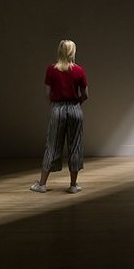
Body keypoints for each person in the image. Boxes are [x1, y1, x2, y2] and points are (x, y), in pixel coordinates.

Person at [31, 39, 89, 194]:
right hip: (75, 109)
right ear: (72, 52)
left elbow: (48, 94)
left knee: (52, 145)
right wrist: (76, 103)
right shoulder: (79, 70)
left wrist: (57, 104)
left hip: (57, 109)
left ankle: (42, 184)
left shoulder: (51, 70)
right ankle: (73, 185)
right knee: (75, 145)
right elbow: (86, 95)